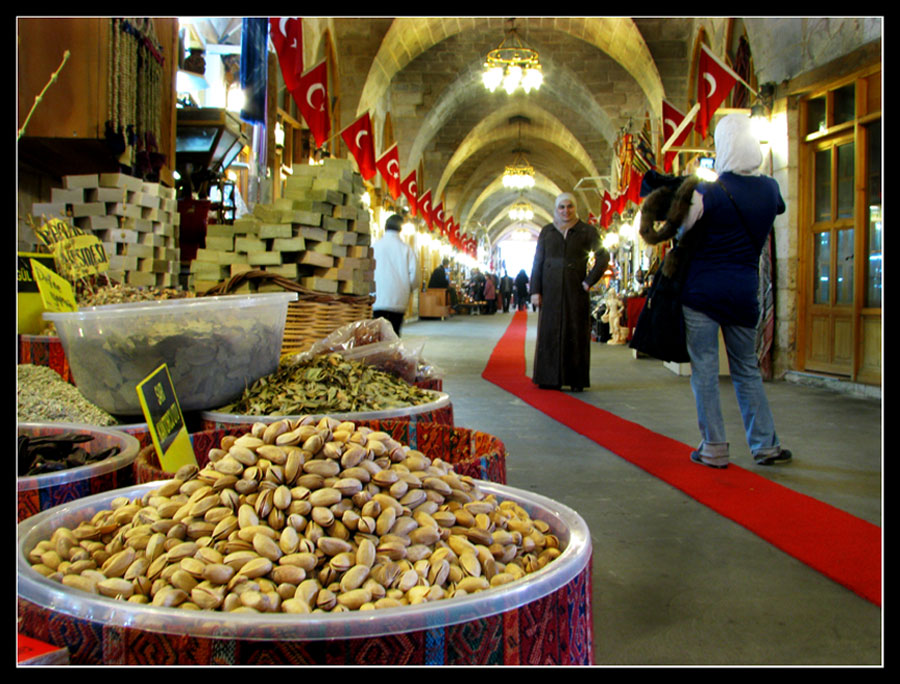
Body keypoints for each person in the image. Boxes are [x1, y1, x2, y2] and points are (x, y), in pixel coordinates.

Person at [677, 113, 790, 469]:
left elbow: (682, 233)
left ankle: (713, 446)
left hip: (703, 292)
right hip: (744, 291)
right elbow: (778, 208)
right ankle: (765, 444)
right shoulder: (771, 189)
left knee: (706, 370)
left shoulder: (707, 192)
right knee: (746, 369)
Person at [530, 192, 609, 391]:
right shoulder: (547, 231)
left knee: (576, 332)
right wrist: (535, 291)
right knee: (550, 332)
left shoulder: (586, 231)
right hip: (551, 290)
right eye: (562, 207)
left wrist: (589, 281)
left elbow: (603, 256)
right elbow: (537, 262)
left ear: (576, 208)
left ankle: (576, 379)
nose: (566, 211)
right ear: (556, 209)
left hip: (575, 290)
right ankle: (549, 378)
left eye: (570, 206)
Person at [372, 213, 418, 336]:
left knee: (377, 334)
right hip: (398, 298)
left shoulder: (375, 246)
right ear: (400, 230)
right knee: (394, 333)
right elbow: (414, 275)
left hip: (377, 297)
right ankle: (392, 354)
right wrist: (408, 289)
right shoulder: (406, 249)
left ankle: (378, 354)